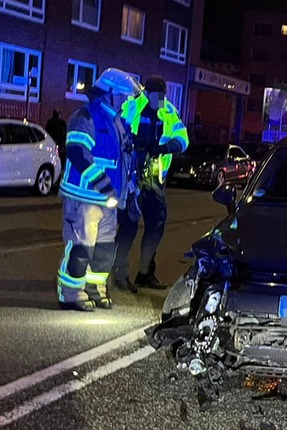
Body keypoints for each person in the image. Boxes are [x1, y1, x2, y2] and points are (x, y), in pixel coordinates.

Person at [55, 69, 142, 311]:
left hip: (107, 198)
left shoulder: (116, 121)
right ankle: (70, 294)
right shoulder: (86, 116)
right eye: (123, 96)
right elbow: (77, 152)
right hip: (84, 196)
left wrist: (129, 191)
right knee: (81, 247)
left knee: (103, 250)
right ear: (110, 93)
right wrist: (104, 185)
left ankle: (95, 289)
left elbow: (124, 159)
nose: (125, 101)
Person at [112, 76, 189, 292]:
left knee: (156, 224)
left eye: (162, 96)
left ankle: (145, 272)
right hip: (131, 177)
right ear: (146, 93)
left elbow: (183, 138)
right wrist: (134, 143)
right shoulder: (131, 106)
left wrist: (165, 148)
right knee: (128, 225)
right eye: (156, 96)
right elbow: (117, 133)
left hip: (154, 178)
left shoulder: (168, 110)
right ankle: (119, 273)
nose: (159, 100)